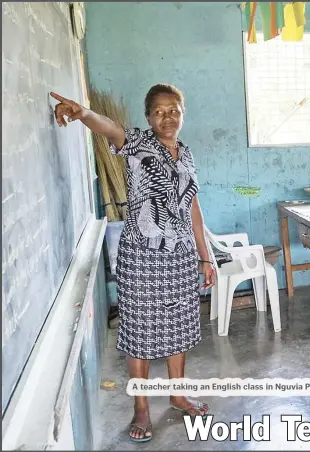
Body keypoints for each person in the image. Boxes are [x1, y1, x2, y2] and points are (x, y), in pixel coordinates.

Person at [50, 85, 216, 442]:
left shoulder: (185, 155)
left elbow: (193, 206)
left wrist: (205, 255)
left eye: (173, 110)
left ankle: (177, 393)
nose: (167, 117)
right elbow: (110, 128)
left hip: (182, 255)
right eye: (159, 112)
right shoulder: (138, 143)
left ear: (182, 112)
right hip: (142, 256)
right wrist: (84, 114)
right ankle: (141, 407)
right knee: (139, 330)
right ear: (148, 117)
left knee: (179, 325)